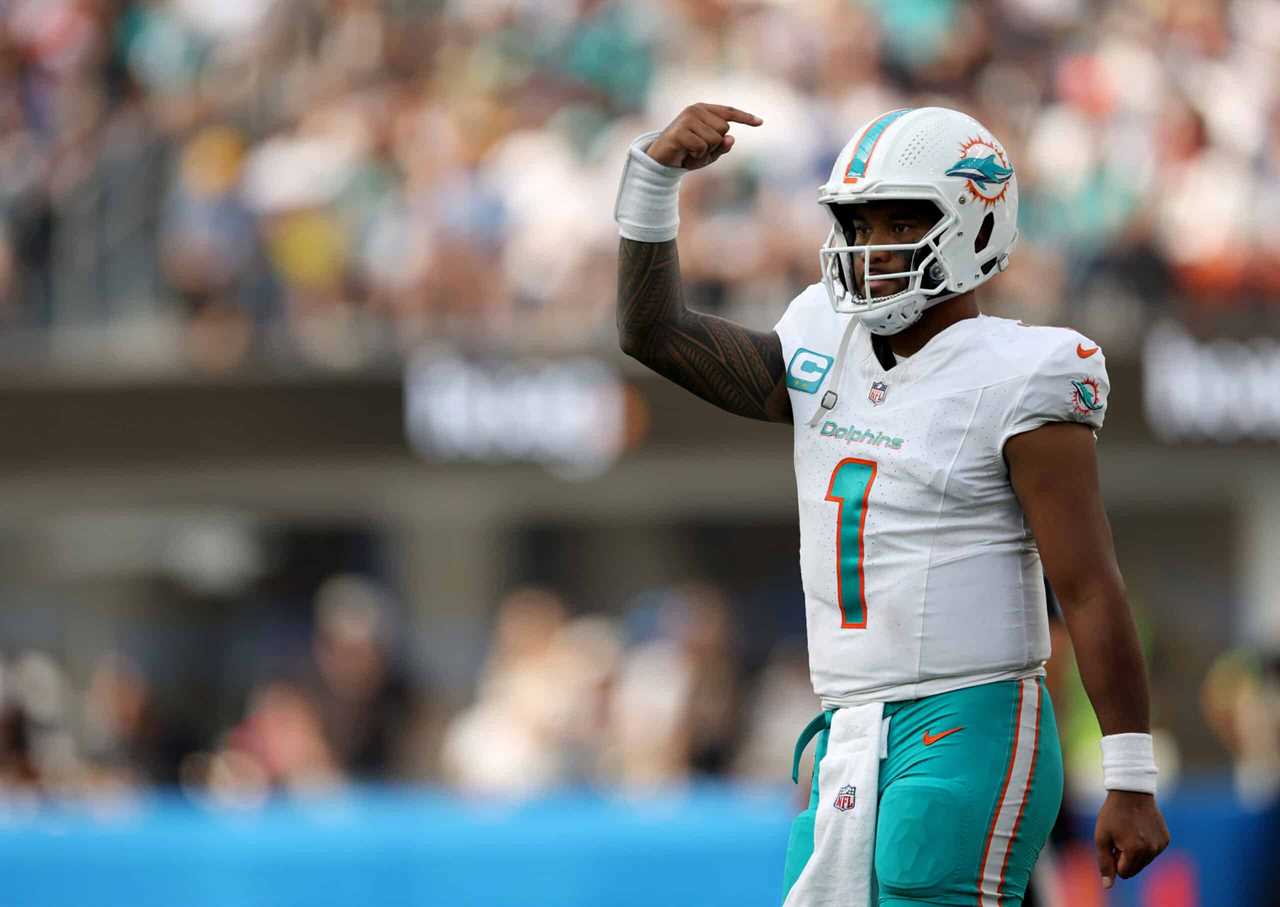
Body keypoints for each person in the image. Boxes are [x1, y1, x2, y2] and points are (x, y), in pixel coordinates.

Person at [613, 103, 1169, 907]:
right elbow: (652, 332)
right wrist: (654, 177)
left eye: (901, 221)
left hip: (970, 709)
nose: (873, 247)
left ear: (977, 223)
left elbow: (1087, 584)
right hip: (848, 724)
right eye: (859, 223)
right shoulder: (818, 341)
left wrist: (1129, 771)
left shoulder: (1027, 373)